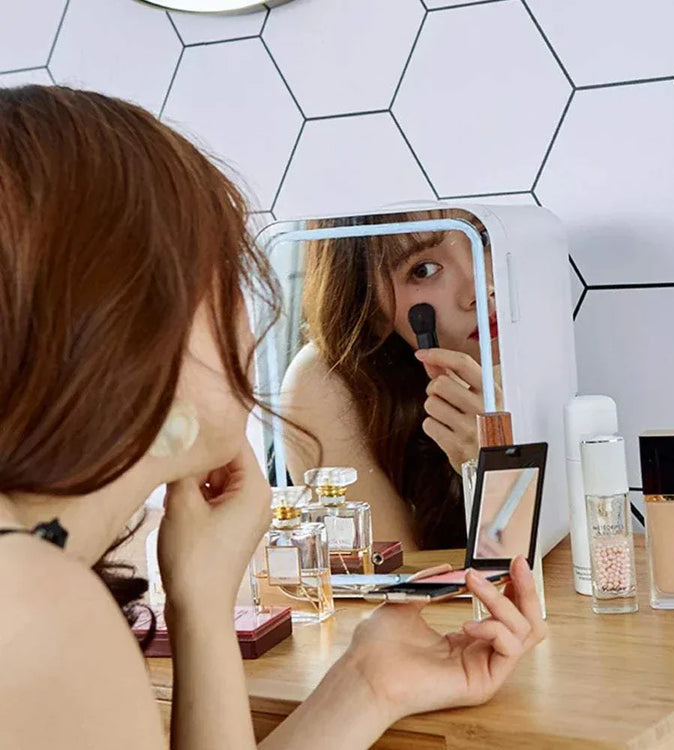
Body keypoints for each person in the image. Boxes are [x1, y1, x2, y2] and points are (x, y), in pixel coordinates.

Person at [0, 86, 545, 750]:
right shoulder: (38, 612)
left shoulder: (35, 581)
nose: (249, 323)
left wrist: (368, 680)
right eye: (224, 276)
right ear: (127, 323)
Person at [281, 211, 502, 550]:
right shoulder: (325, 382)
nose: (480, 289)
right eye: (423, 269)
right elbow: (402, 593)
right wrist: (489, 467)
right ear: (369, 301)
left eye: (482, 240)